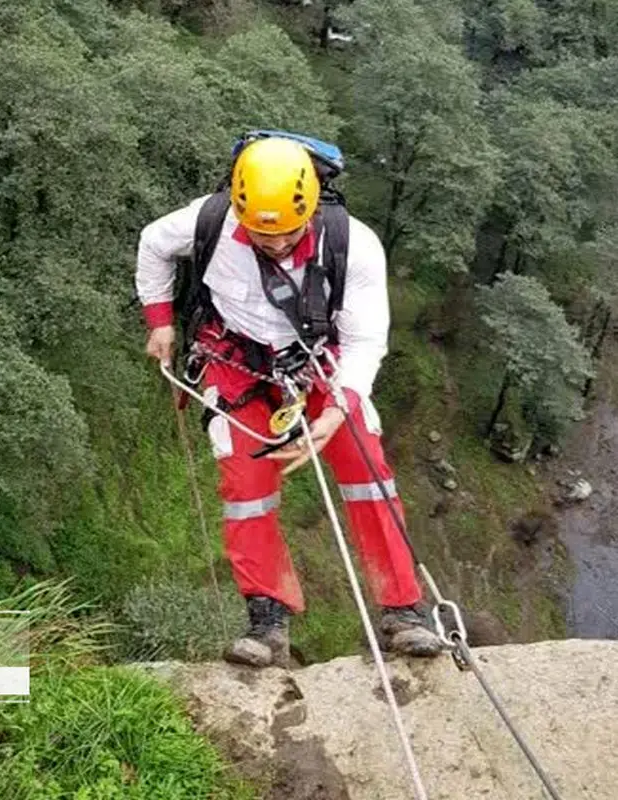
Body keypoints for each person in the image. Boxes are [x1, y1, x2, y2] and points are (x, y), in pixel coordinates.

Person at [135, 136, 442, 667]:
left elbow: (367, 339)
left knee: (369, 472)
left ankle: (403, 610)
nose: (275, 246)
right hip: (237, 362)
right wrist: (159, 322)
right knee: (245, 488)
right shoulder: (209, 221)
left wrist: (336, 407)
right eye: (261, 234)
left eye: (286, 236)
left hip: (322, 365)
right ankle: (267, 618)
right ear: (239, 209)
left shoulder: (353, 245)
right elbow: (153, 243)